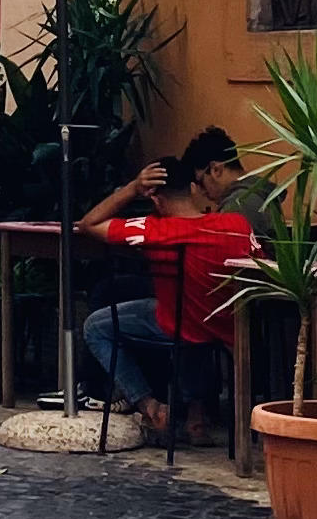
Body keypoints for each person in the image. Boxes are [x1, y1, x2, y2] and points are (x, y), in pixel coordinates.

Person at [77, 130, 255, 433]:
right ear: (192, 189)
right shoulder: (236, 223)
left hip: (179, 324)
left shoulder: (154, 230)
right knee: (189, 318)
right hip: (229, 327)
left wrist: (132, 188)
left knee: (97, 326)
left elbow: (88, 224)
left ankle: (150, 407)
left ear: (156, 200)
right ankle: (197, 415)